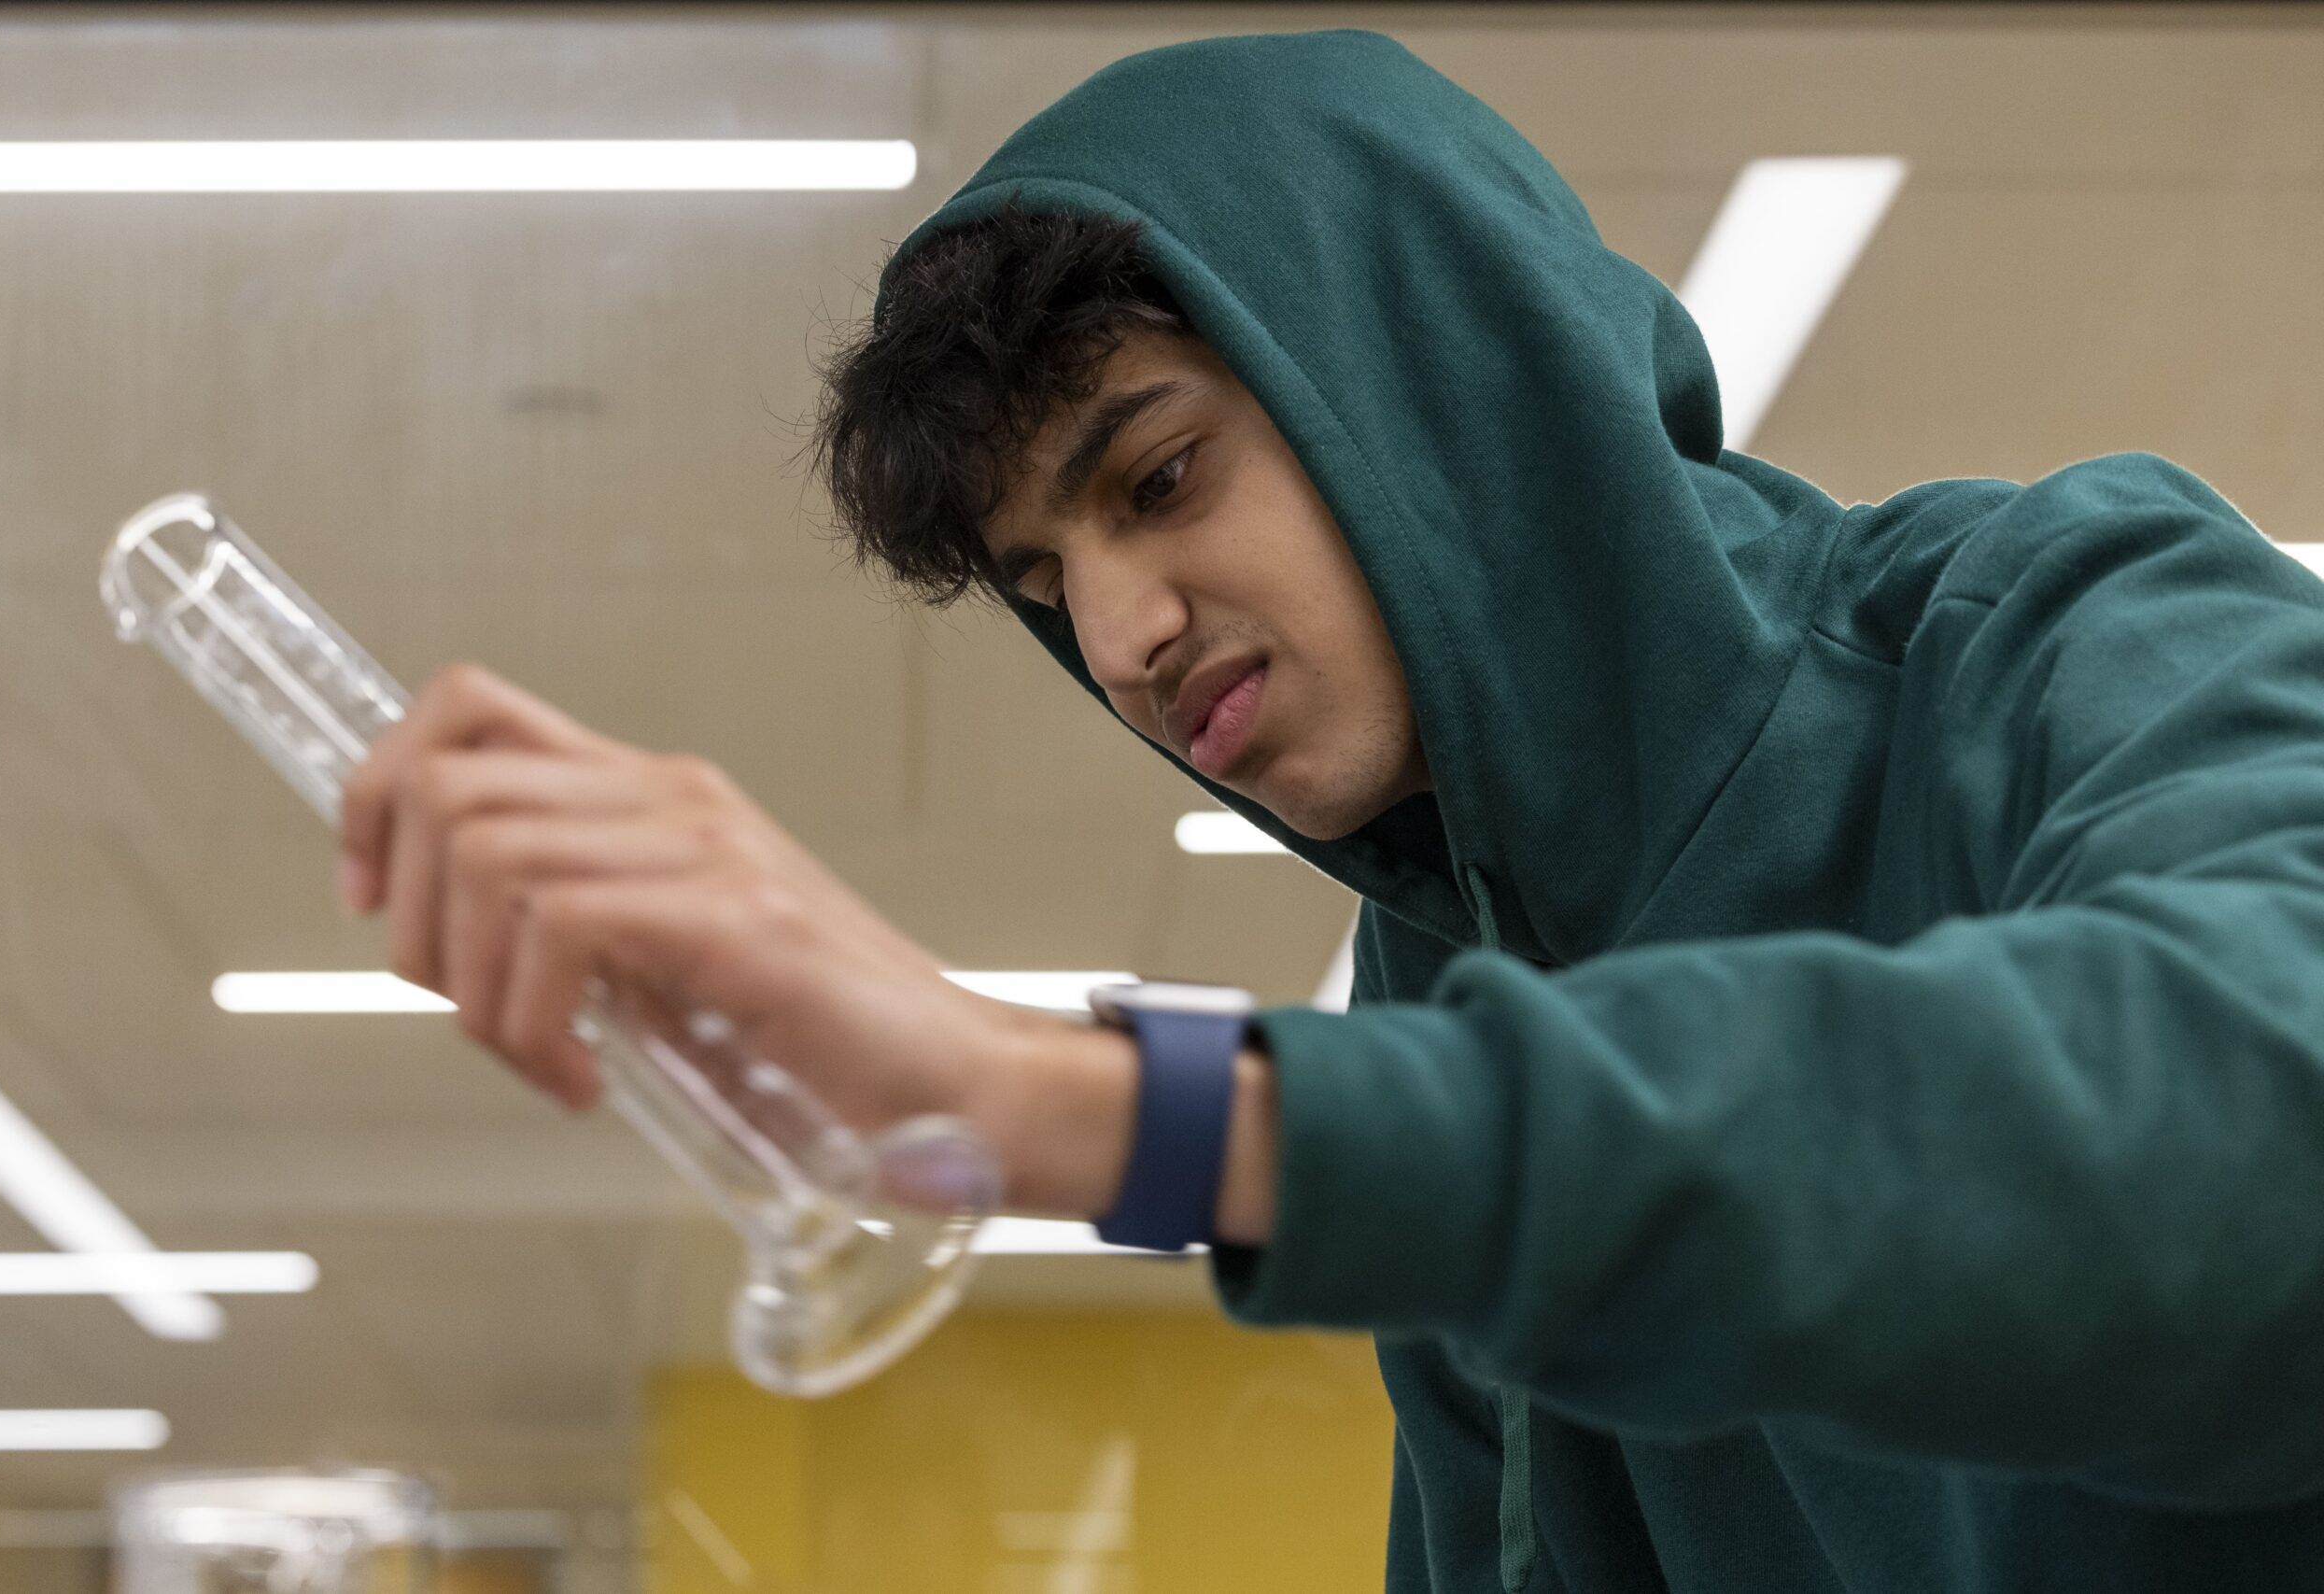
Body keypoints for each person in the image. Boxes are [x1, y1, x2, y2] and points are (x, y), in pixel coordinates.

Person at [333, 30, 2324, 1594]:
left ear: (1442, 368)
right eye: (1043, 587)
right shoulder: (1439, 973)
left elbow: (2250, 1149)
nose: (1114, 636)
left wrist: (1085, 1104)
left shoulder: (2071, 624)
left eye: (1159, 479)